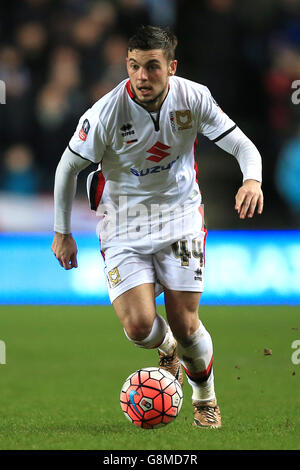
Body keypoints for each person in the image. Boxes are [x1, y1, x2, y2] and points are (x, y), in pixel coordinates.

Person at [51, 25, 263, 428]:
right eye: (133, 67)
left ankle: (205, 400)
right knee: (137, 326)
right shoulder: (105, 113)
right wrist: (62, 232)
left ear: (171, 66)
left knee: (186, 322)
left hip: (179, 216)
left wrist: (251, 179)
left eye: (152, 67)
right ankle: (166, 348)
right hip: (123, 223)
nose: (141, 77)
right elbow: (68, 169)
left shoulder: (193, 97)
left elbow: (241, 145)